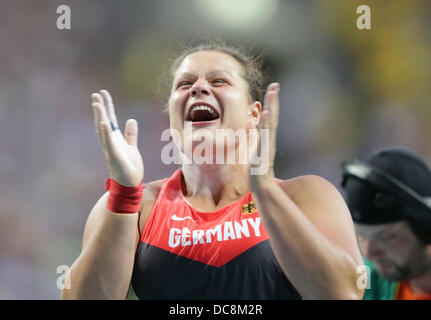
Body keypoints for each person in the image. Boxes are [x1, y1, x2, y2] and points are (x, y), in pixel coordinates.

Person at [62, 41, 364, 300]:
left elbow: (345, 292)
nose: (198, 87)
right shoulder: (136, 206)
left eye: (219, 81)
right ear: (171, 115)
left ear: (253, 113)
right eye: (184, 84)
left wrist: (266, 191)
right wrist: (125, 193)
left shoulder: (306, 196)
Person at [341, 147, 431, 300]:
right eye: (361, 237)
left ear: (425, 229)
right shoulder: (368, 278)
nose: (369, 253)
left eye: (386, 237)